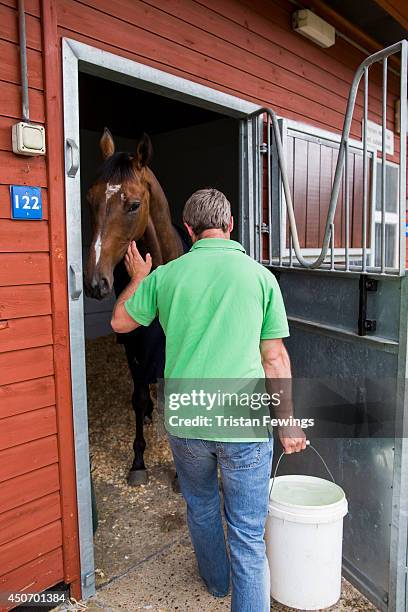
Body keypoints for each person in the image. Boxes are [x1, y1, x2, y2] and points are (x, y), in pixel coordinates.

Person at [111, 188, 306, 612]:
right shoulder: (259, 277)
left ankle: (217, 584)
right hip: (243, 422)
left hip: (187, 419)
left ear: (188, 229)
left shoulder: (167, 276)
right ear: (231, 225)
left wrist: (140, 276)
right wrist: (288, 423)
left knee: (201, 505)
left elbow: (119, 320)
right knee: (248, 534)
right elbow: (273, 358)